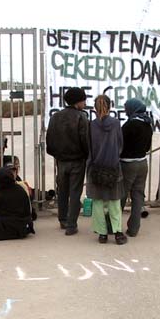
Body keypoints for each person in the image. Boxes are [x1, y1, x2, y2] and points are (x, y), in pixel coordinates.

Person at [46, 87, 89, 235]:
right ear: (78, 101)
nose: (85, 103)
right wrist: (86, 155)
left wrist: (57, 155)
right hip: (77, 160)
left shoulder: (55, 117)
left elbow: (49, 141)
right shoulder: (81, 117)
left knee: (62, 191)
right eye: (84, 100)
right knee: (75, 193)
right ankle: (71, 225)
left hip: (61, 161)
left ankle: (63, 220)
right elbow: (85, 140)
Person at [87, 94, 126, 245]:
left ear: (95, 108)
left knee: (98, 201)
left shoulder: (91, 125)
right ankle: (117, 232)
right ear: (110, 107)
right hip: (113, 167)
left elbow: (89, 146)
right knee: (114, 201)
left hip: (96, 167)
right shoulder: (116, 123)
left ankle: (102, 234)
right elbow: (120, 145)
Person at [119, 98, 153, 237]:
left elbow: (120, 145)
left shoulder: (129, 125)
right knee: (138, 196)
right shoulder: (147, 124)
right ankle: (134, 228)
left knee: (121, 195)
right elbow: (147, 147)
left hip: (128, 164)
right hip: (142, 163)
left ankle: (113, 225)